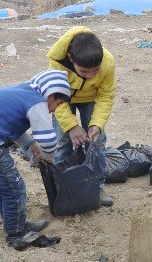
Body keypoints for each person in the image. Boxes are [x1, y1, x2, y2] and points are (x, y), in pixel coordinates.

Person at [0, 70, 71, 245]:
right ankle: (16, 234)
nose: (55, 109)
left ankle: (15, 225)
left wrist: (31, 147)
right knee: (14, 188)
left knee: (2, 188)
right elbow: (48, 140)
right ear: (50, 95)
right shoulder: (37, 102)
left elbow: (11, 126)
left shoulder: (21, 93)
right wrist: (49, 157)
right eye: (58, 103)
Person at [47, 26, 116, 206]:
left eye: (96, 71)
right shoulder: (57, 63)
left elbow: (106, 96)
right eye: (85, 72)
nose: (92, 76)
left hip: (91, 99)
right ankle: (64, 187)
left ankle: (97, 187)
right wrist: (71, 126)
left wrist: (97, 124)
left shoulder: (108, 62)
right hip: (63, 99)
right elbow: (55, 98)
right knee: (63, 141)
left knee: (97, 141)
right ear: (71, 58)